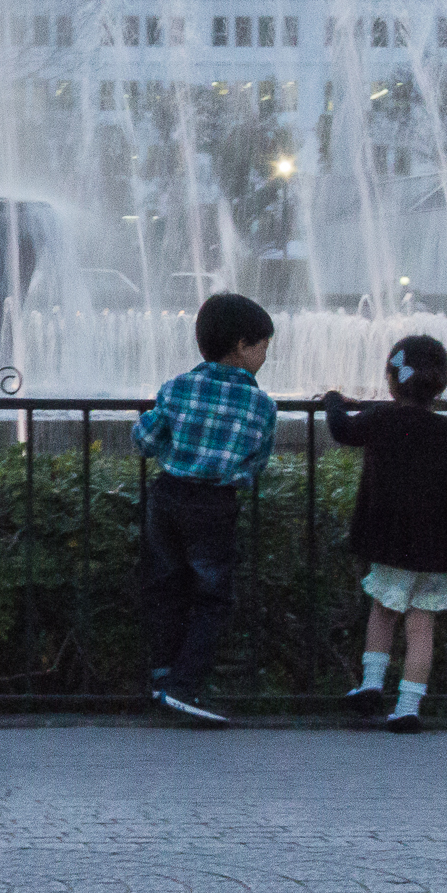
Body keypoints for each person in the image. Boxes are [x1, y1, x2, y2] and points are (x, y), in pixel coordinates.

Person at [323, 334, 447, 734]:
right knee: (421, 625)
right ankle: (408, 707)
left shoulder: (381, 420)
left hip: (391, 540)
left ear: (392, 380)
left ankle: (372, 685)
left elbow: (341, 430)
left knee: (383, 610)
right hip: (437, 546)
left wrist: (334, 400)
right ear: (442, 385)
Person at [134, 291, 277, 726]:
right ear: (242, 345)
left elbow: (146, 441)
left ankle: (162, 676)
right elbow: (255, 463)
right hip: (215, 503)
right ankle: (184, 686)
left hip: (168, 496)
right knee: (212, 598)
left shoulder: (177, 387)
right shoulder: (261, 405)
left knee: (165, 587)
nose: (266, 357)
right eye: (264, 347)